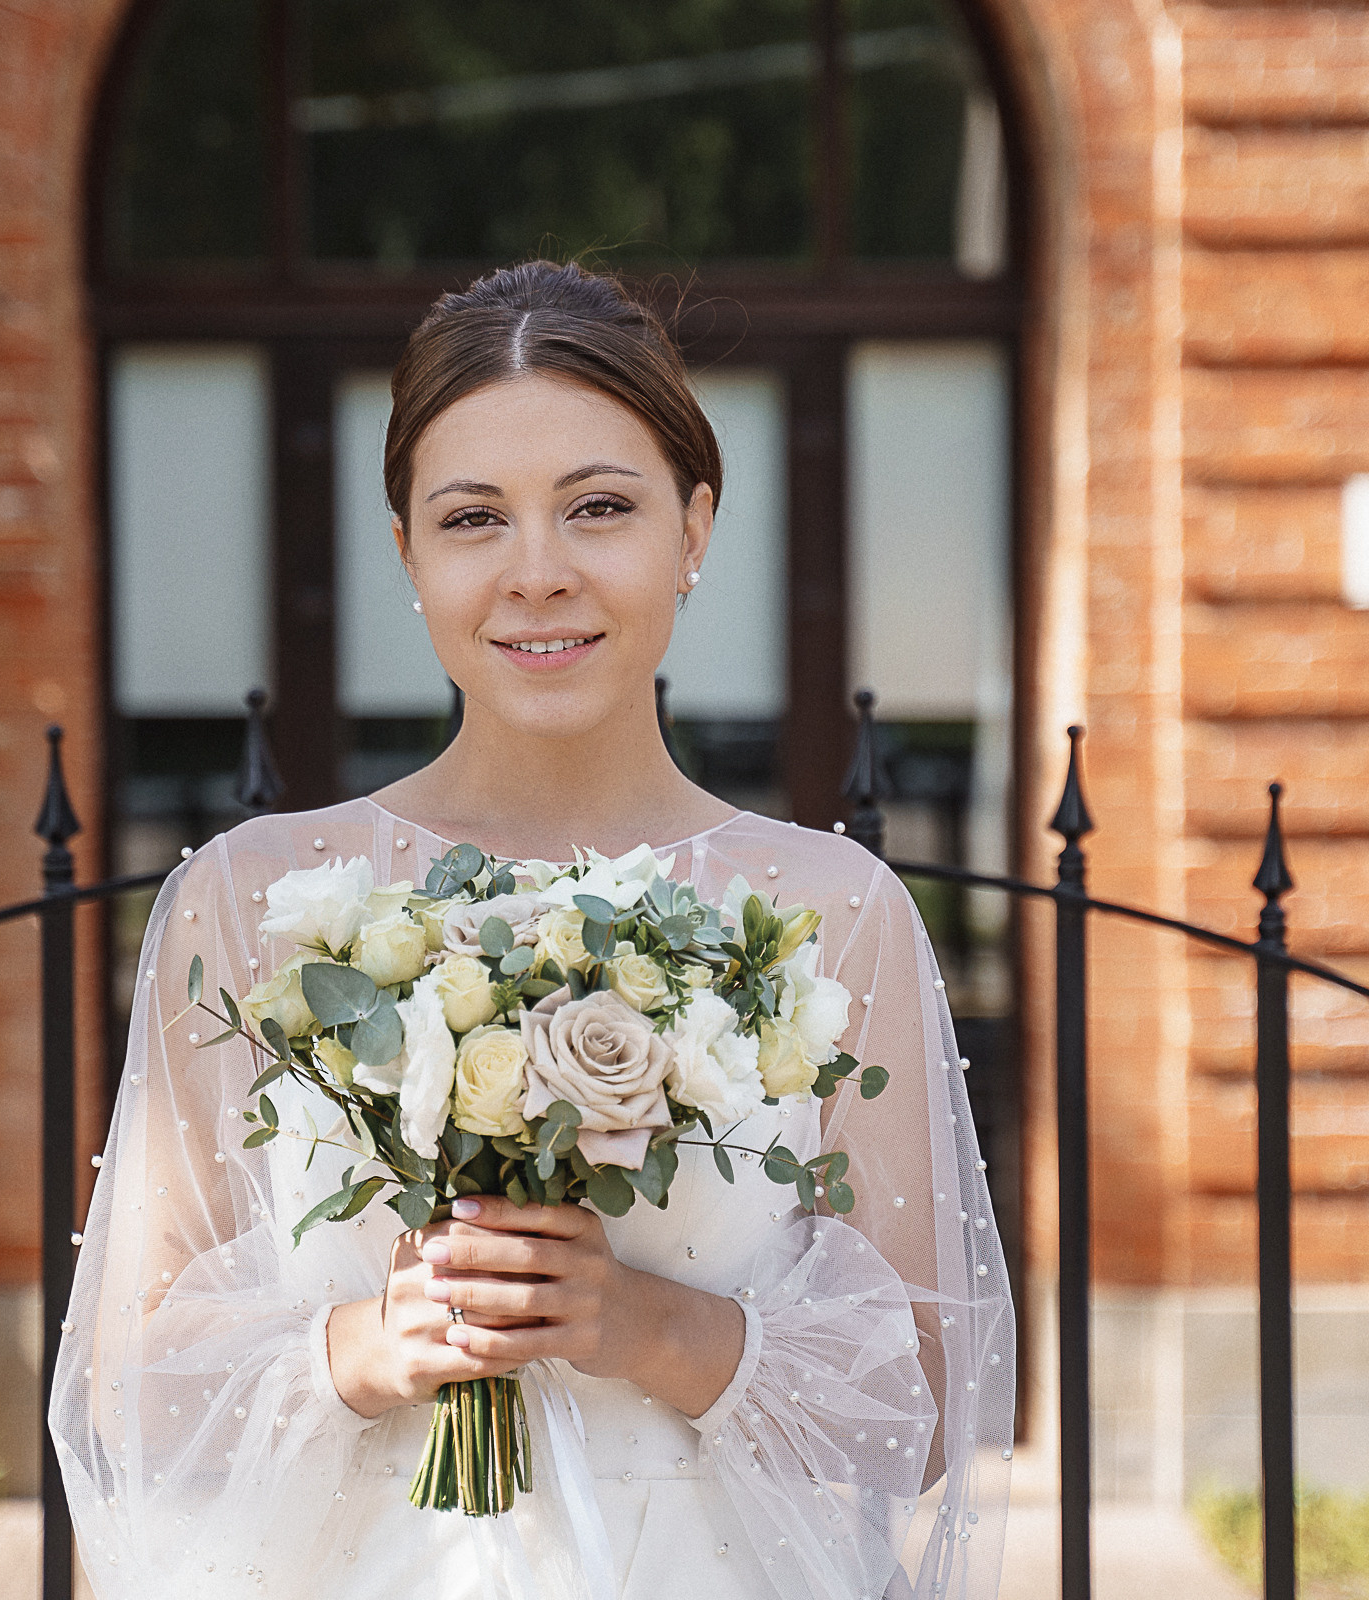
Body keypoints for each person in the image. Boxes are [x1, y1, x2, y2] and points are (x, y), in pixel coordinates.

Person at [50, 260, 1015, 1599]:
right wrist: (364, 1346)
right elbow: (131, 1389)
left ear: (696, 527)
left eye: (600, 509)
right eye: (473, 519)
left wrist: (653, 1328)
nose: (538, 574)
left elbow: (926, 1404)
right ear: (406, 552)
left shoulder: (832, 914)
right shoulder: (252, 899)